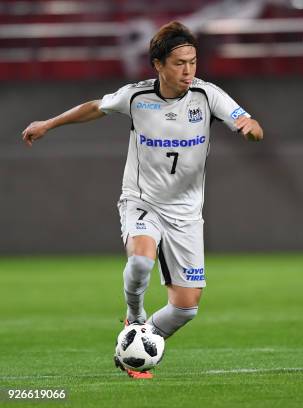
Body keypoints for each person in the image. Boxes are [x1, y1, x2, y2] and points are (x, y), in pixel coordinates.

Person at [21, 21, 263, 379]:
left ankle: (137, 341)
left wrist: (250, 128)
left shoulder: (207, 95)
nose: (188, 71)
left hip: (186, 214)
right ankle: (133, 318)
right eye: (179, 63)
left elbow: (245, 119)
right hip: (142, 201)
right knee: (140, 261)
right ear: (158, 65)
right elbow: (94, 107)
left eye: (193, 62)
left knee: (186, 309)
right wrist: (49, 124)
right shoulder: (136, 97)